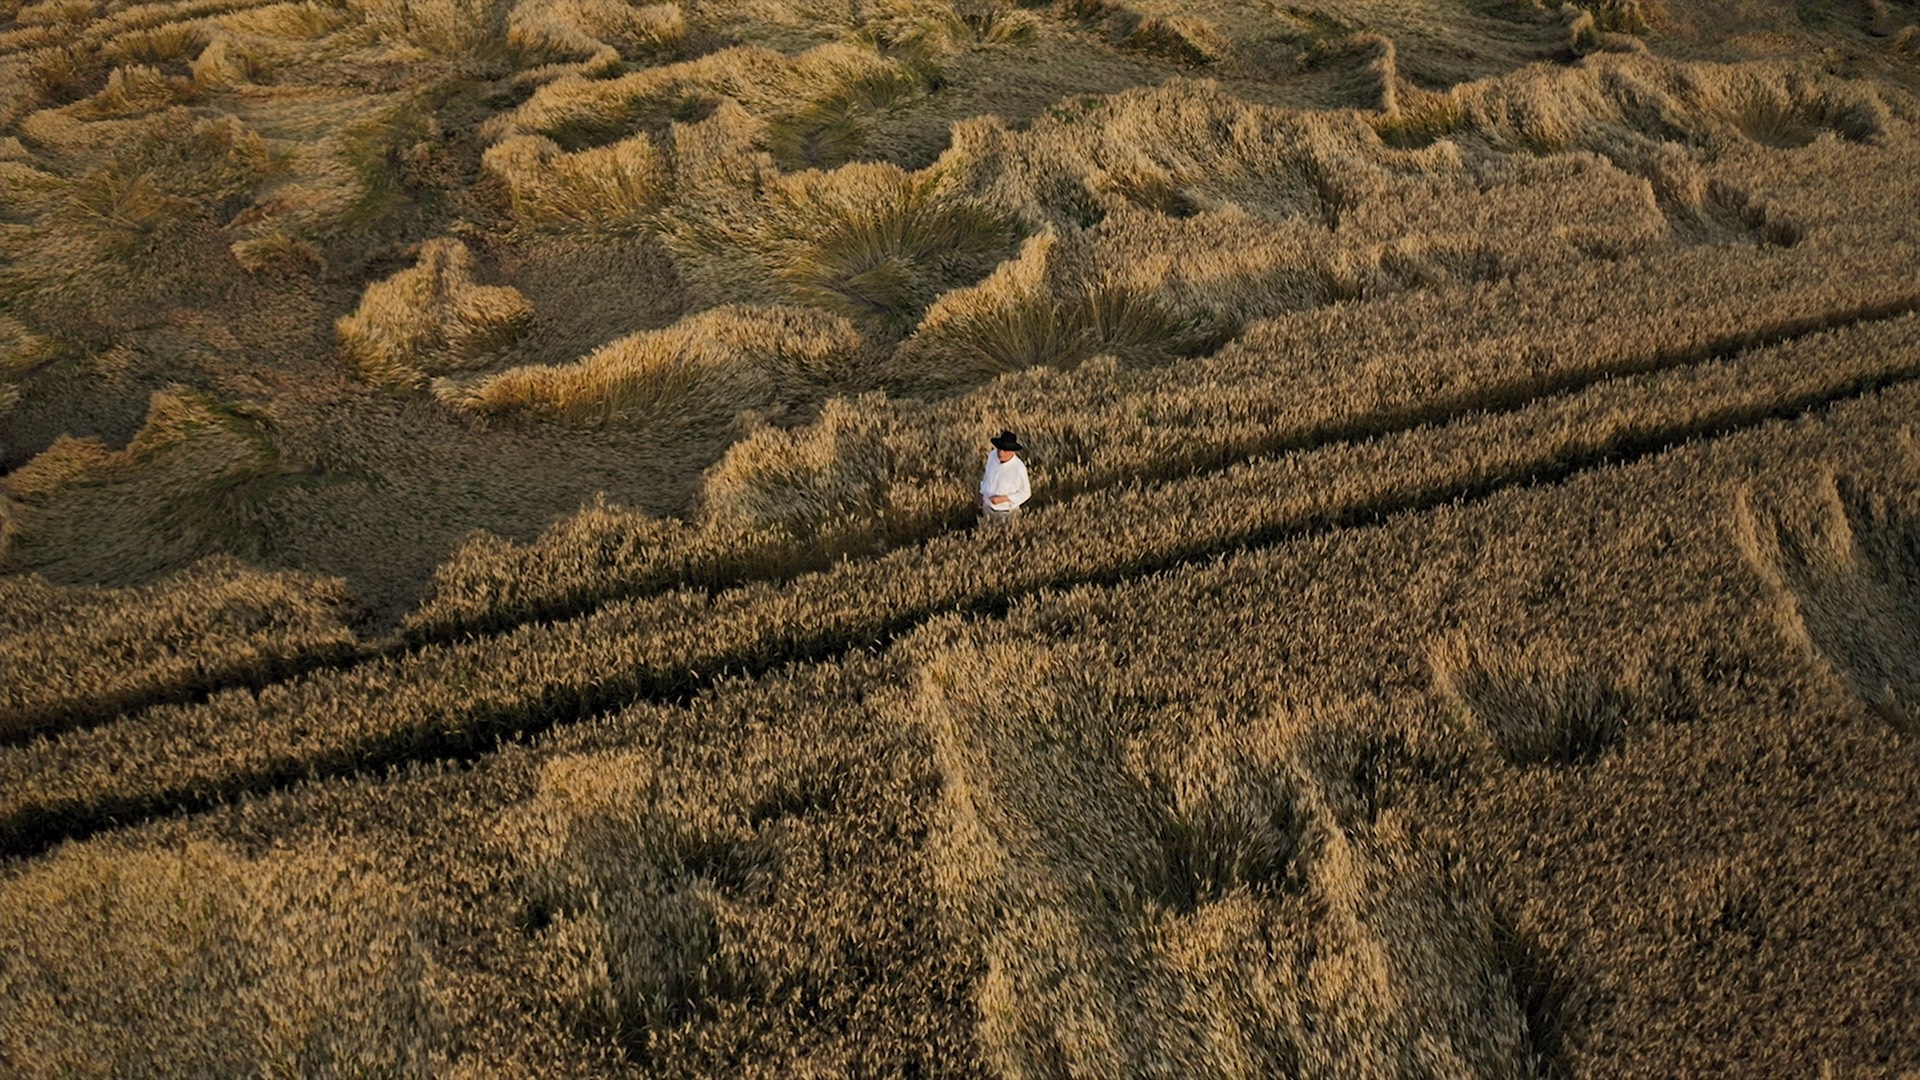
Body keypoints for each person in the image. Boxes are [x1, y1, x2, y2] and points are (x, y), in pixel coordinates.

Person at [978, 430, 1030, 525]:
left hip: (1007, 514)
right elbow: (987, 476)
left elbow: (1026, 493)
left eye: (1005, 450)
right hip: (987, 508)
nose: (1001, 453)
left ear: (1012, 451)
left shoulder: (1019, 469)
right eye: (999, 449)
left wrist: (1004, 499)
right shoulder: (992, 456)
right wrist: (981, 494)